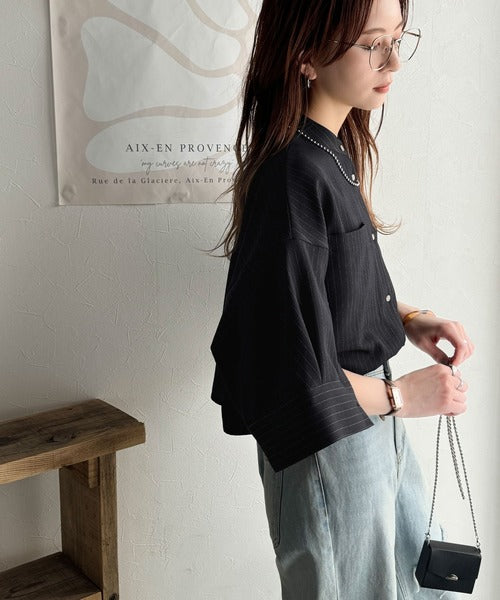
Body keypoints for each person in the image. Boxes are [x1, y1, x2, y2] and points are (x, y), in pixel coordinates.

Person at [209, 0, 474, 598]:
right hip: (332, 437)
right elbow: (290, 366)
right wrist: (403, 396)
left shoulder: (327, 152)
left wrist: (410, 319)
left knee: (409, 584)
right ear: (306, 55)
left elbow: (321, 291)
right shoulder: (292, 174)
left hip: (367, 418)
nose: (393, 62)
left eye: (398, 40)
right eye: (371, 44)